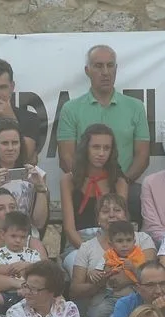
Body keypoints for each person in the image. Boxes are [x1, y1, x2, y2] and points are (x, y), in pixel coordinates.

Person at [58, 45, 149, 224]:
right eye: (98, 66)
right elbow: (66, 157)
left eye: (110, 65)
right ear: (87, 71)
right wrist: (86, 184)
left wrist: (120, 184)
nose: (105, 72)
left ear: (116, 69)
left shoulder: (136, 107)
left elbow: (143, 156)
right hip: (83, 186)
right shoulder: (71, 109)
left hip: (123, 185)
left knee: (140, 197)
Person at [69, 193, 156, 317]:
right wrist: (98, 282)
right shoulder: (87, 247)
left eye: (117, 210)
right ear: (98, 218)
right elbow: (75, 290)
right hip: (104, 299)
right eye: (105, 211)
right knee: (97, 315)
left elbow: (151, 274)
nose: (111, 215)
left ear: (126, 215)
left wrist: (122, 277)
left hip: (136, 298)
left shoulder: (142, 239)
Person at [59, 123, 128, 272]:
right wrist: (92, 252)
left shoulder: (119, 182)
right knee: (86, 268)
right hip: (78, 245)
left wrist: (108, 252)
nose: (101, 153)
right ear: (86, 149)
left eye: (106, 148)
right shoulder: (69, 180)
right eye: (96, 147)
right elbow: (69, 229)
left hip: (112, 243)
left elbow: (121, 224)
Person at [0, 189, 49, 309]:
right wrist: (18, 283)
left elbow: (47, 274)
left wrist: (26, 268)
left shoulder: (32, 243)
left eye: (12, 207)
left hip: (31, 295)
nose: (7, 212)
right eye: (0, 208)